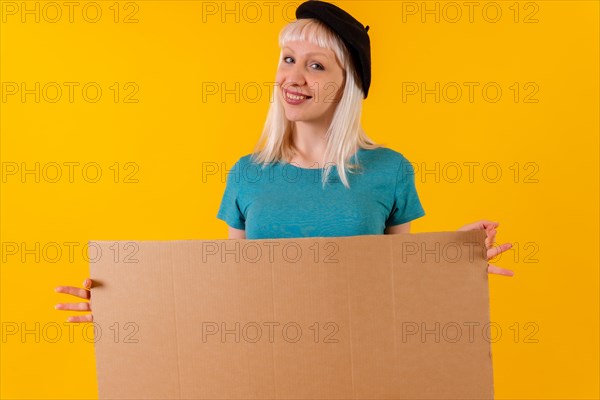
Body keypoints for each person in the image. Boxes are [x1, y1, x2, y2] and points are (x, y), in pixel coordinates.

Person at [54, 0, 514, 323]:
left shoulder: (389, 171)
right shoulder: (247, 173)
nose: (293, 77)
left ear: (347, 84)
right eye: (288, 59)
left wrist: (454, 269)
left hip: (362, 366)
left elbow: (398, 290)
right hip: (262, 368)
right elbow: (223, 293)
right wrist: (124, 308)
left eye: (316, 65)